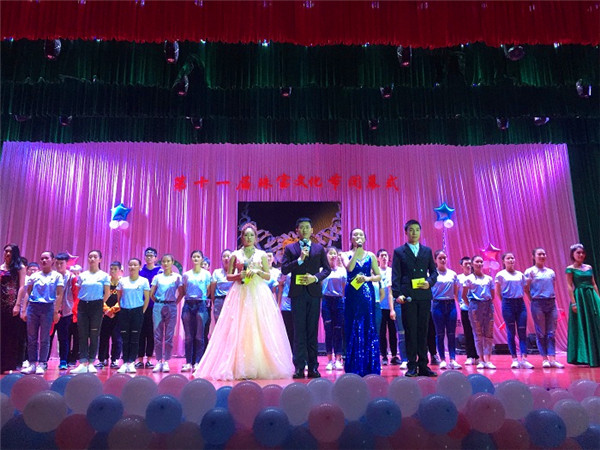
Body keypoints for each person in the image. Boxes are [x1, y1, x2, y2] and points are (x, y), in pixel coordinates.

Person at [194, 223, 294, 380]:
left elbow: (268, 275)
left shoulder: (261, 254)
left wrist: (257, 271)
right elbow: (229, 276)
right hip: (240, 291)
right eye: (246, 235)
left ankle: (260, 364)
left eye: (251, 235)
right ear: (242, 237)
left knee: (259, 326)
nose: (249, 238)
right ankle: (238, 365)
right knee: (239, 326)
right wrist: (239, 275)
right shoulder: (235, 255)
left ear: (255, 237)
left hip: (258, 292)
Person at [281, 217, 331, 379]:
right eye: (301, 227)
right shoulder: (290, 248)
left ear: (312, 230)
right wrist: (299, 260)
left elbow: (327, 270)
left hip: (314, 293)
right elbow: (284, 269)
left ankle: (313, 367)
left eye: (307, 227)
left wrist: (315, 278)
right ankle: (299, 367)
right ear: (297, 230)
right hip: (297, 294)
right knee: (299, 332)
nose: (304, 230)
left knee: (312, 331)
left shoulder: (318, 248)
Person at [391, 220, 438, 377]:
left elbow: (434, 272)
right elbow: (396, 275)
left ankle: (423, 365)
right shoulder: (399, 252)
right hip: (408, 296)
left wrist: (429, 282)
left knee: (423, 331)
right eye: (411, 230)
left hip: (424, 296)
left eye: (417, 230)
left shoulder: (427, 251)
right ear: (406, 232)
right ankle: (412, 365)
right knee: (410, 331)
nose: (414, 233)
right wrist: (397, 294)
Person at [342, 228, 382, 376]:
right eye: (355, 235)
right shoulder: (345, 254)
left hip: (366, 292)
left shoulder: (371, 255)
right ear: (351, 238)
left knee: (367, 324)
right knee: (352, 324)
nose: (358, 237)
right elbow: (350, 268)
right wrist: (357, 252)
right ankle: (353, 365)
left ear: (365, 238)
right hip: (352, 293)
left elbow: (378, 276)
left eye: (361, 235)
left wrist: (367, 278)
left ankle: (368, 365)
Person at [22, 251, 64, 375]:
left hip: (48, 308)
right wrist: (24, 309)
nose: (44, 261)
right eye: (42, 258)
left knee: (45, 338)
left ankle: (42, 363)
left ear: (52, 260)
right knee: (31, 337)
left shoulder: (57, 276)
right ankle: (32, 363)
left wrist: (56, 311)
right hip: (33, 307)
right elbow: (28, 292)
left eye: (46, 258)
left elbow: (59, 294)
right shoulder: (34, 276)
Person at [71, 250, 110, 374]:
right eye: (90, 257)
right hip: (83, 305)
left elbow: (107, 293)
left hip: (97, 305)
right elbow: (78, 291)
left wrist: (100, 303)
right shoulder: (83, 275)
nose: (92, 259)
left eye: (95, 257)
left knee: (94, 334)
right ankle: (83, 362)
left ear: (100, 259)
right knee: (82, 334)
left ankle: (92, 361)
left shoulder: (104, 276)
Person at [524, 248, 563, 368]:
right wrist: (532, 298)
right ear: (533, 257)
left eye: (544, 254)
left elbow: (552, 286)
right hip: (537, 303)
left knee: (551, 332)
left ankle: (552, 359)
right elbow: (526, 288)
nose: (542, 256)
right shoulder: (530, 271)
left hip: (551, 303)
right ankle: (544, 358)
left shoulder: (550, 272)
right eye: (539, 254)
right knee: (541, 332)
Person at [496, 252, 533, 369]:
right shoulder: (500, 275)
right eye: (508, 258)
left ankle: (524, 359)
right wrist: (505, 302)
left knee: (522, 332)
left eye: (512, 258)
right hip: (507, 304)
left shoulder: (520, 275)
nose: (511, 260)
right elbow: (498, 292)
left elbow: (525, 288)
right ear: (503, 261)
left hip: (520, 304)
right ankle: (514, 359)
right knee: (511, 332)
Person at [566, 243, 600, 367]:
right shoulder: (570, 269)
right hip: (580, 298)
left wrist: (598, 298)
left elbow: (593, 283)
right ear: (573, 255)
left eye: (582, 253)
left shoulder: (589, 267)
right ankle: (588, 357)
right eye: (578, 253)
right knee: (584, 324)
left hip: (591, 296)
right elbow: (569, 286)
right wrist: (574, 303)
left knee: (596, 322)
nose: (581, 255)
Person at [116, 258, 150, 374]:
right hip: (125, 311)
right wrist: (122, 308)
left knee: (135, 338)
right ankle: (124, 362)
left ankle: (131, 362)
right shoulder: (123, 281)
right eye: (130, 265)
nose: (132, 267)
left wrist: (142, 311)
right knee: (125, 338)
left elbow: (146, 298)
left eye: (135, 265)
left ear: (140, 267)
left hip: (137, 311)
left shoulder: (144, 281)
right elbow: (119, 296)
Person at [180, 250, 212, 372]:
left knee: (199, 336)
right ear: (191, 258)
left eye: (198, 257)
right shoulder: (186, 274)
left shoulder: (207, 274)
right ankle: (188, 362)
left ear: (202, 259)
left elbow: (208, 290)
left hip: (201, 304)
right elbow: (184, 290)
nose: (196, 259)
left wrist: (201, 298)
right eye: (194, 256)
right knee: (188, 336)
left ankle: (198, 362)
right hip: (188, 303)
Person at [150, 254, 182, 373]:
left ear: (172, 262)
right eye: (164, 261)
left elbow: (182, 292)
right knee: (157, 335)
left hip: (171, 306)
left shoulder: (177, 277)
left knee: (169, 335)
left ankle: (167, 361)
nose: (166, 263)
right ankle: (159, 361)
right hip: (158, 306)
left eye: (168, 261)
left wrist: (174, 302)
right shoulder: (157, 277)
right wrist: (159, 302)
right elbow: (152, 293)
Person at [463, 255, 496, 369]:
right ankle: (481, 359)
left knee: (488, 333)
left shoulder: (489, 278)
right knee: (478, 334)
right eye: (477, 262)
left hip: (488, 305)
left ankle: (488, 360)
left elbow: (492, 295)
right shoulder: (469, 278)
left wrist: (486, 302)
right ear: (472, 264)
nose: (479, 264)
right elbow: (464, 295)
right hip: (475, 305)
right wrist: (471, 306)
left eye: (481, 262)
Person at [431, 250, 461, 370]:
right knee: (439, 333)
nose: (443, 260)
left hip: (451, 304)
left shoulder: (453, 274)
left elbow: (456, 291)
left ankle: (453, 359)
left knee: (451, 333)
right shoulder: (432, 274)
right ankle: (442, 359)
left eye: (444, 258)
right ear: (435, 260)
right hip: (437, 304)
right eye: (440, 258)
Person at [1, 244, 26, 373]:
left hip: (11, 305)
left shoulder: (19, 268)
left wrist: (17, 304)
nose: (8, 254)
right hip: (0, 304)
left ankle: (8, 365)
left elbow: (22, 287)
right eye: (6, 251)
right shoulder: (1, 268)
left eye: (10, 252)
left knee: (10, 335)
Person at [321, 246, 347, 371]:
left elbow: (344, 288)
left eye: (334, 253)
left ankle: (338, 359)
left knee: (338, 330)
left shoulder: (342, 271)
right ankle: (329, 360)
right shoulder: (322, 270)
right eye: (330, 253)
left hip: (338, 301)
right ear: (326, 256)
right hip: (326, 300)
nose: (332, 256)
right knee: (328, 331)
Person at [137, 247, 161, 369]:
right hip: (141, 306)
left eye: (151, 256)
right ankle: (140, 359)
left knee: (151, 333)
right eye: (147, 255)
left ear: (156, 258)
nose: (149, 257)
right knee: (140, 333)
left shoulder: (160, 272)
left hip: (154, 306)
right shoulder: (140, 271)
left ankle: (150, 359)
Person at [378, 248, 403, 367]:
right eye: (382, 255)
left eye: (386, 255)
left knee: (393, 332)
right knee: (381, 332)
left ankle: (394, 355)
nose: (384, 257)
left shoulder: (392, 271)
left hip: (392, 306)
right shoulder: (375, 271)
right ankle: (383, 355)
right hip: (379, 307)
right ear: (378, 258)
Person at [96, 261, 123, 369]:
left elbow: (123, 298)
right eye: (111, 269)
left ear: (120, 271)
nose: (113, 271)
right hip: (105, 314)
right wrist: (106, 310)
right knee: (103, 337)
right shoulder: (105, 282)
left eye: (115, 269)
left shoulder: (123, 282)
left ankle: (115, 359)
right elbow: (100, 296)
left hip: (118, 314)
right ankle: (102, 359)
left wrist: (113, 310)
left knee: (117, 338)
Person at [54, 252, 77, 370]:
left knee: (64, 337)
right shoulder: (52, 276)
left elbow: (76, 295)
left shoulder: (71, 277)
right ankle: (44, 361)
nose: (59, 266)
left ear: (66, 264)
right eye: (57, 263)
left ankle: (63, 360)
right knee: (48, 336)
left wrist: (74, 311)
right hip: (52, 311)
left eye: (61, 263)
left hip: (66, 312)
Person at [457, 256, 479, 365]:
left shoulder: (476, 277)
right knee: (468, 332)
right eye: (466, 264)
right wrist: (461, 303)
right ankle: (470, 356)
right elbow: (456, 293)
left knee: (478, 333)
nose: (469, 266)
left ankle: (478, 356)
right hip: (465, 309)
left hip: (477, 309)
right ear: (461, 266)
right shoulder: (459, 278)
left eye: (470, 263)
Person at [210, 249, 233, 323]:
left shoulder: (236, 271)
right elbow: (212, 289)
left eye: (228, 256)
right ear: (221, 259)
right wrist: (214, 300)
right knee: (219, 322)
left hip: (232, 300)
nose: (226, 258)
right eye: (224, 256)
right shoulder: (217, 272)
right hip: (219, 300)